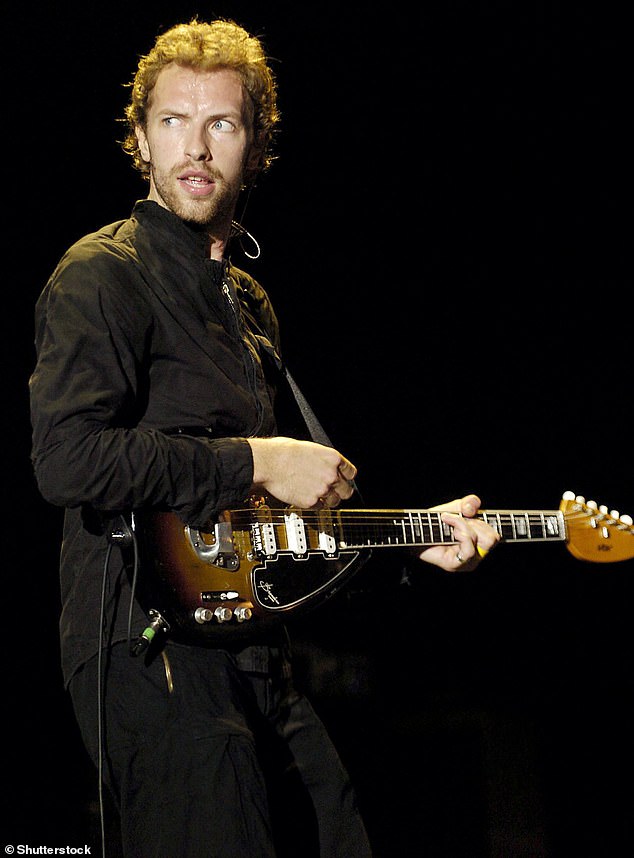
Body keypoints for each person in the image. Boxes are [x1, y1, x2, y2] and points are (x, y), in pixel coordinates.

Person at [29, 17, 501, 858]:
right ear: (139, 138)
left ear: (257, 145)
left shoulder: (247, 305)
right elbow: (67, 459)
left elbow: (258, 525)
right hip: (149, 647)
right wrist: (259, 456)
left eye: (222, 123)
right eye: (172, 121)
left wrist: (407, 542)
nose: (196, 147)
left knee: (341, 829)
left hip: (251, 644)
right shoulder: (103, 273)